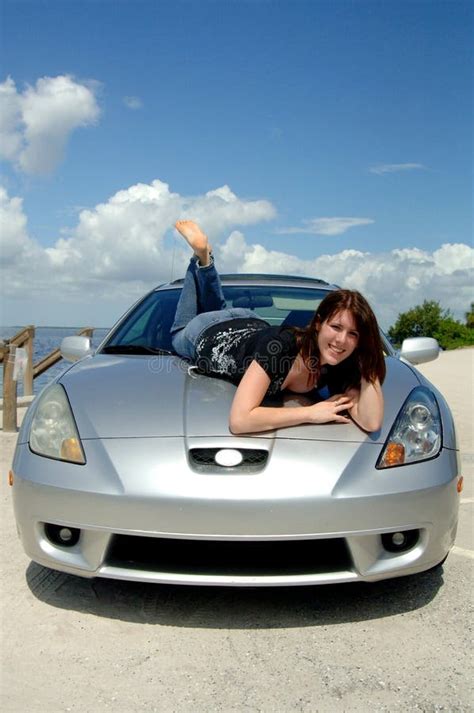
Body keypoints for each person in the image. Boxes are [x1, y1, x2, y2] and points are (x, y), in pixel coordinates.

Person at [170, 220, 385, 434]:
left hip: (249, 321)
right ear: (318, 323)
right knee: (179, 331)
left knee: (219, 307)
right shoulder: (280, 346)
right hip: (209, 333)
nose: (341, 340)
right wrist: (311, 413)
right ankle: (200, 259)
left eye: (353, 334)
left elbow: (371, 422)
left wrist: (369, 363)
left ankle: (206, 263)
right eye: (336, 327)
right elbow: (239, 421)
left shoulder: (339, 364)